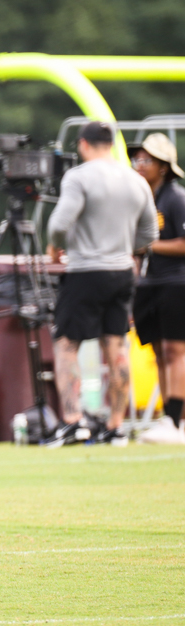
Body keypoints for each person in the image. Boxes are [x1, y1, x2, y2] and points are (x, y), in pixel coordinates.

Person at [45, 121, 158, 447]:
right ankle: (115, 426)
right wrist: (126, 246)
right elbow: (150, 234)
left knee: (67, 345)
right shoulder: (135, 180)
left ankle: (73, 421)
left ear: (83, 144)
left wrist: (56, 245)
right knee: (117, 346)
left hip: (84, 271)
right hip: (122, 270)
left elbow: (59, 224)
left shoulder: (80, 177)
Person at [129, 133, 185, 445]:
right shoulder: (142, 198)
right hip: (148, 284)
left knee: (177, 350)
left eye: (146, 160)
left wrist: (150, 246)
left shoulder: (176, 198)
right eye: (137, 159)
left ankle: (179, 419)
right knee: (160, 352)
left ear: (163, 166)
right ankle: (169, 417)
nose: (139, 165)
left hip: (175, 283)